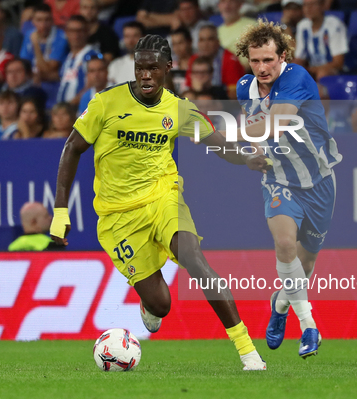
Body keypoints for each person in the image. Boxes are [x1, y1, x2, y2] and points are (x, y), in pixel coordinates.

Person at [50, 34, 268, 370]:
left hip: (163, 196)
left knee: (194, 259)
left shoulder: (179, 110)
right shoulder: (106, 104)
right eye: (140, 68)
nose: (146, 75)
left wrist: (248, 160)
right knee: (161, 304)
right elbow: (71, 149)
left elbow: (217, 142)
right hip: (118, 216)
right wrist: (60, 212)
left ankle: (247, 352)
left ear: (168, 68)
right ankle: (149, 304)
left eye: (153, 68)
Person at [234, 20, 343, 358]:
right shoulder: (244, 88)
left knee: (304, 267)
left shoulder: (296, 77)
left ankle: (280, 305)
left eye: (268, 60)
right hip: (279, 179)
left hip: (320, 181)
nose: (262, 68)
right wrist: (251, 153)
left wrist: (234, 134)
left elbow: (278, 120)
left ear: (282, 56)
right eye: (255, 61)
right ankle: (309, 327)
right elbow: (258, 138)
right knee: (284, 246)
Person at [0, 58, 47, 124]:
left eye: (18, 71)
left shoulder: (35, 92)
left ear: (28, 74)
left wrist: (1, 113)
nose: (13, 76)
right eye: (10, 72)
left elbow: (21, 111)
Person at [185, 24, 245, 99]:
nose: (205, 44)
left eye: (210, 39)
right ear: (198, 43)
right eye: (202, 40)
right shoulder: (193, 60)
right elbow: (188, 88)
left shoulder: (230, 59)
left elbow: (236, 93)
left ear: (218, 42)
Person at [293, 0, 348, 80]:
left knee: (322, 73)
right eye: (305, 5)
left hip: (334, 70)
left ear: (322, 6)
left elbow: (338, 62)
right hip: (312, 69)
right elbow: (299, 58)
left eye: (313, 4)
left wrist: (314, 69)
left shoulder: (334, 25)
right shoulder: (302, 26)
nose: (308, 8)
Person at [57, 15, 102, 105]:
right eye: (72, 31)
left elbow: (94, 84)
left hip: (81, 110)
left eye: (79, 31)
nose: (75, 35)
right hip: (64, 111)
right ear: (66, 33)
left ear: (87, 32)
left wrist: (72, 104)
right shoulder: (67, 57)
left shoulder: (92, 55)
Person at [20, 4, 69, 84]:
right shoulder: (29, 34)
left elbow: (47, 69)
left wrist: (36, 44)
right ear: (33, 21)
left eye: (47, 20)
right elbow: (24, 64)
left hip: (54, 84)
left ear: (52, 20)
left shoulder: (61, 37)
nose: (43, 25)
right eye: (39, 20)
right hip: (31, 82)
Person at [217, 0, 256, 67]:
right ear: (219, 6)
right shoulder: (217, 31)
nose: (227, 6)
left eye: (231, 2)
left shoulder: (252, 25)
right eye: (223, 2)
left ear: (240, 4)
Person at [170, 27, 194, 94]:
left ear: (190, 42)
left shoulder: (198, 64)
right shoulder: (170, 67)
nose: (177, 47)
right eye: (174, 44)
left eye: (180, 43)